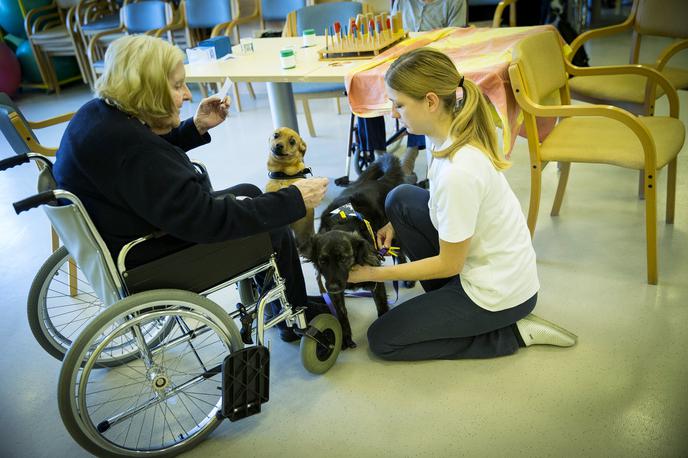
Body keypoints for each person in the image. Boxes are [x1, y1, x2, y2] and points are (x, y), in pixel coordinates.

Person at [53, 34, 329, 341]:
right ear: (148, 89)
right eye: (176, 85)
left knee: (250, 191)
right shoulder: (135, 151)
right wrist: (293, 199)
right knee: (273, 224)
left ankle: (283, 297)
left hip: (126, 229)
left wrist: (194, 128)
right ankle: (295, 311)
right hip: (150, 256)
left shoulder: (100, 115)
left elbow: (143, 163)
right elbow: (206, 219)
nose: (186, 95)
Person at [347, 48, 577, 361]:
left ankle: (509, 335)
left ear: (430, 101)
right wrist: (394, 225)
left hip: (498, 295)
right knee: (400, 199)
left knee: (383, 339)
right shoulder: (441, 131)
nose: (392, 113)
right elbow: (439, 200)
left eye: (398, 104)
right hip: (484, 266)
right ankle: (450, 309)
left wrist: (371, 275)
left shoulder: (460, 171)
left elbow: (449, 264)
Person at [357, 0, 467, 181]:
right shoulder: (401, 2)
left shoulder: (454, 3)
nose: (393, 114)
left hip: (431, 65)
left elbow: (455, 41)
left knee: (418, 93)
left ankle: (410, 154)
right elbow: (394, 35)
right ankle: (380, 157)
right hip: (400, 63)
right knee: (364, 83)